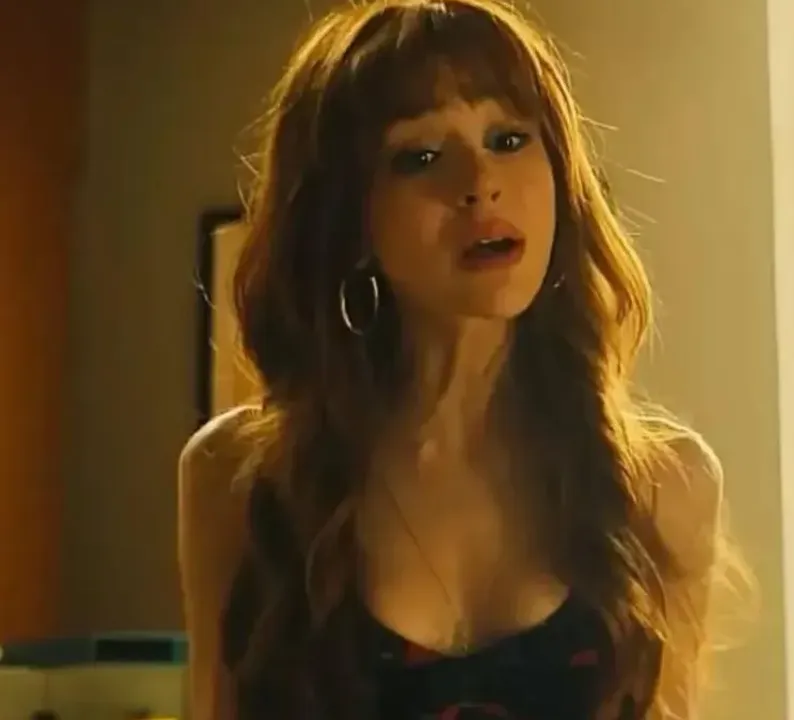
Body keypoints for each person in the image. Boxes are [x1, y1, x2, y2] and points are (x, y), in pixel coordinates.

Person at [176, 1, 737, 719]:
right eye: (421, 157)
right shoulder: (239, 477)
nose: (480, 182)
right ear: (349, 214)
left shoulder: (664, 488)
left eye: (509, 138)